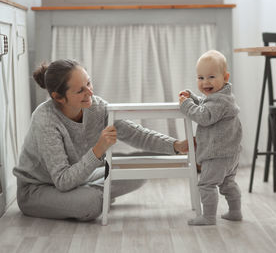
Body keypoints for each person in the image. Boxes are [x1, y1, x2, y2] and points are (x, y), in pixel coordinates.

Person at [13, 59, 188, 221]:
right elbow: (63, 180)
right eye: (80, 90)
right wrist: (99, 148)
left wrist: (176, 145)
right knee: (89, 204)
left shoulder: (96, 106)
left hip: (79, 178)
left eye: (88, 83)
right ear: (58, 97)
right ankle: (91, 198)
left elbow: (135, 133)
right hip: (38, 190)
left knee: (138, 171)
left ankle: (91, 196)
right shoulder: (45, 119)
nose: (90, 92)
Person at [178, 50, 242, 225]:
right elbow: (207, 107)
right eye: (200, 78)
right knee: (228, 184)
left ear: (225, 77)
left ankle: (208, 217)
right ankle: (235, 211)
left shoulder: (219, 102)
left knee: (207, 184)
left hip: (216, 154)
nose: (205, 82)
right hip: (230, 154)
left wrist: (186, 106)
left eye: (211, 77)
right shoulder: (223, 98)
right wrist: (192, 98)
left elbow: (204, 116)